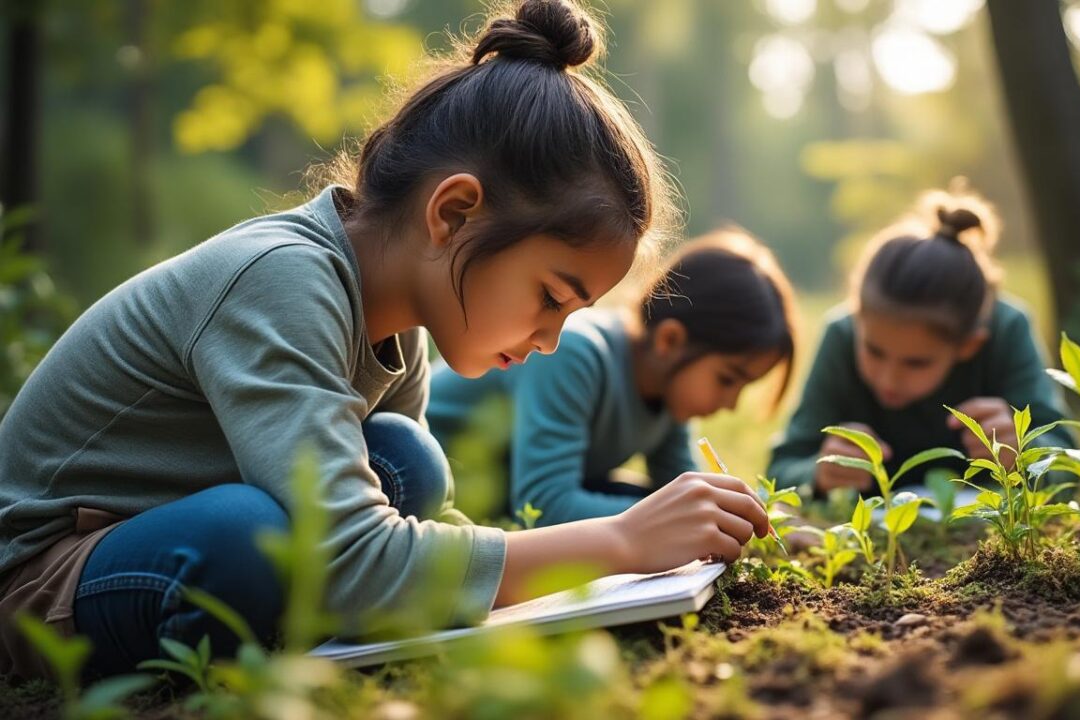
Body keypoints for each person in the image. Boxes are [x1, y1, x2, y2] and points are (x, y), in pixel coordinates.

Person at [0, 0, 768, 679]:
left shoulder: (397, 328)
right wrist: (618, 543)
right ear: (453, 213)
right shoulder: (280, 280)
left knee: (405, 459)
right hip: (48, 575)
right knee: (249, 535)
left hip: (174, 529)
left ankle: (290, 622)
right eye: (549, 298)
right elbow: (350, 551)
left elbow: (397, 524)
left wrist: (588, 579)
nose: (549, 341)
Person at [429, 228, 799, 524]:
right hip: (418, 471)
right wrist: (681, 515)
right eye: (727, 379)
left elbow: (685, 488)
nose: (731, 404)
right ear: (671, 340)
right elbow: (545, 507)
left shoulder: (670, 397)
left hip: (494, 491)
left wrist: (754, 519)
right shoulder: (571, 353)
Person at [767, 184, 1073, 495]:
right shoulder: (841, 335)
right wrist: (818, 473)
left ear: (969, 347)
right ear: (859, 318)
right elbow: (782, 468)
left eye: (916, 363)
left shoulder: (1007, 330)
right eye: (874, 351)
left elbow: (1071, 463)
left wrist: (1023, 457)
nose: (889, 379)